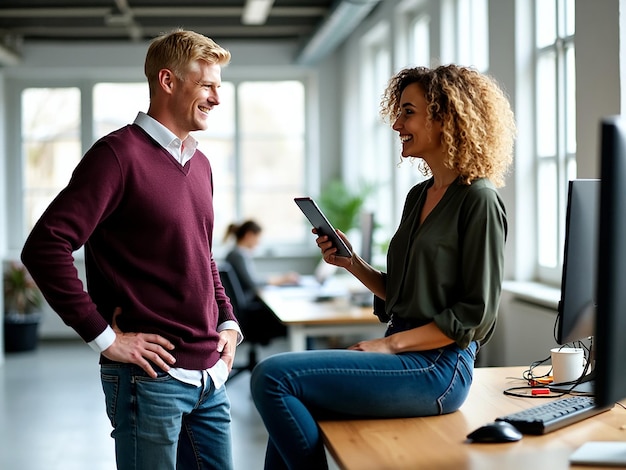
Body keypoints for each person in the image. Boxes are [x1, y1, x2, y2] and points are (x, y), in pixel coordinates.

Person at [250, 64, 516, 469]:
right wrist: (352, 263)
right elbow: (405, 293)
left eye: (409, 112)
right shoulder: (419, 196)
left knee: (273, 377)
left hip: (439, 366)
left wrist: (390, 344)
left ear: (445, 116)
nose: (397, 124)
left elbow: (474, 316)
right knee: (287, 387)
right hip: (405, 351)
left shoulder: (478, 199)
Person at [21, 29, 241, 470]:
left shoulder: (200, 164)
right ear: (168, 81)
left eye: (220, 86)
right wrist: (104, 337)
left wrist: (229, 320)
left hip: (209, 379)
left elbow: (203, 256)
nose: (218, 98)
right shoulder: (117, 155)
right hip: (150, 379)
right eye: (207, 85)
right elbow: (46, 246)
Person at [222, 220, 291, 342]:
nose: (259, 242)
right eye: (258, 237)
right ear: (249, 235)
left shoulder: (236, 253)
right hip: (249, 312)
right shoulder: (238, 255)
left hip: (246, 307)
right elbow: (253, 283)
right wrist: (282, 280)